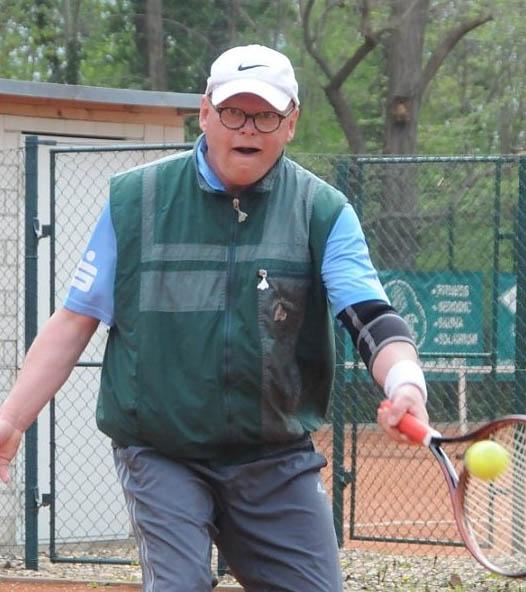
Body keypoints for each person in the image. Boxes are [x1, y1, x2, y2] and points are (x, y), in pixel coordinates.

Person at [0, 44, 429, 592]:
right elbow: (74, 320)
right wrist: (12, 419)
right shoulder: (136, 201)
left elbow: (369, 316)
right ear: (205, 112)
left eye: (266, 115)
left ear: (291, 123)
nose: (247, 128)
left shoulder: (322, 211)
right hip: (162, 450)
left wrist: (405, 382)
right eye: (233, 112)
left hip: (274, 456)